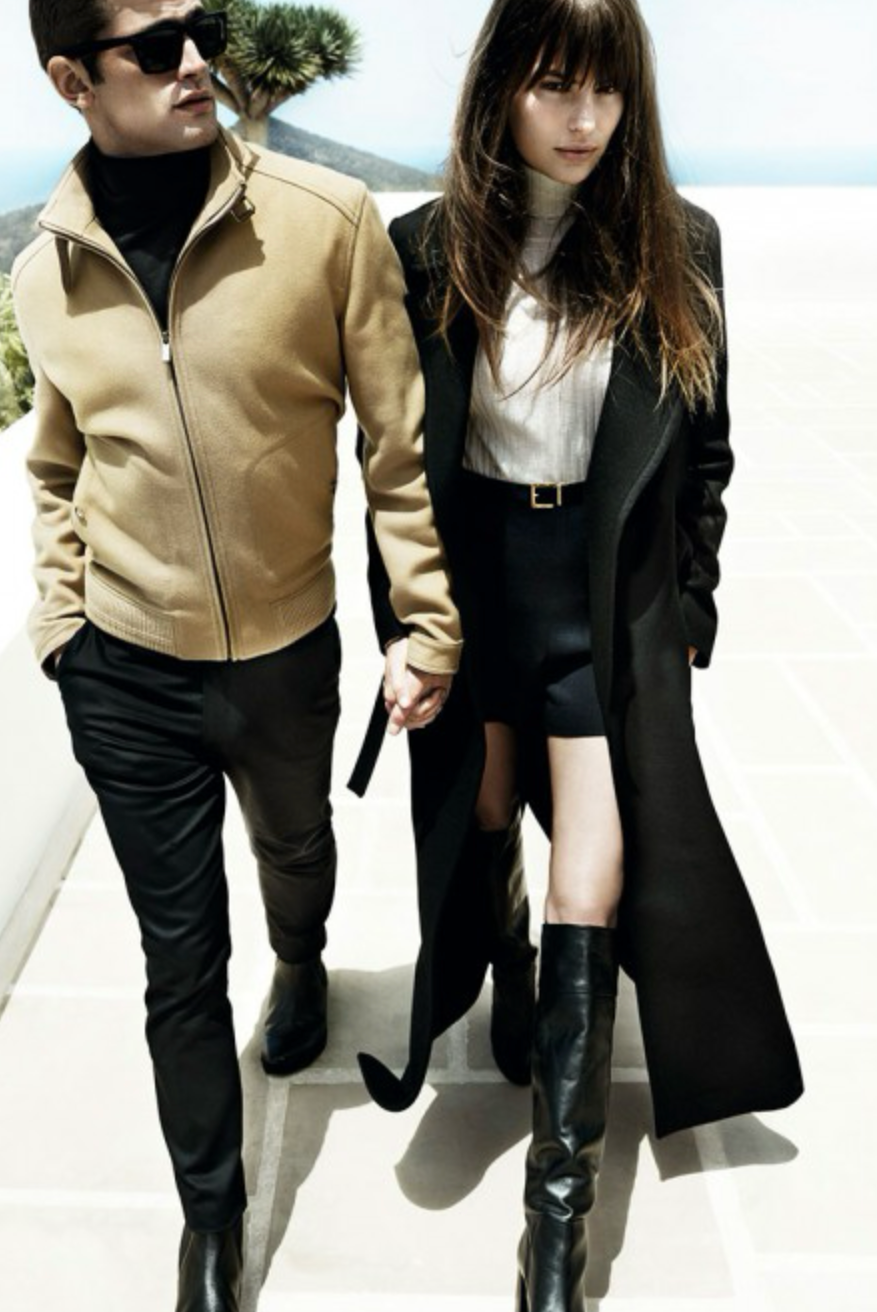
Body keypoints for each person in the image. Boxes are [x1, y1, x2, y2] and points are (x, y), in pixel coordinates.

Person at [353, 1, 804, 1308]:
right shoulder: (427, 247)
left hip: (601, 603)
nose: (584, 119)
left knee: (591, 883)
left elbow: (706, 453)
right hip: (479, 586)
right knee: (487, 808)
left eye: (606, 91)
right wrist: (410, 624)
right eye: (555, 85)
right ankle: (505, 987)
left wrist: (691, 608)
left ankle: (553, 1230)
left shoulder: (678, 243)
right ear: (501, 87)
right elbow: (392, 465)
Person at [12, 2, 460, 1308]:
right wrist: (62, 629)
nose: (197, 60)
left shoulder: (324, 221)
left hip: (281, 646)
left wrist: (424, 619)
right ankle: (210, 1224)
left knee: (294, 847)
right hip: (123, 667)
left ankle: (303, 958)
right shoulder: (48, 271)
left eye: (199, 27)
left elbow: (398, 447)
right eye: (155, 47)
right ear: (73, 80)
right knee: (179, 961)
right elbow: (55, 463)